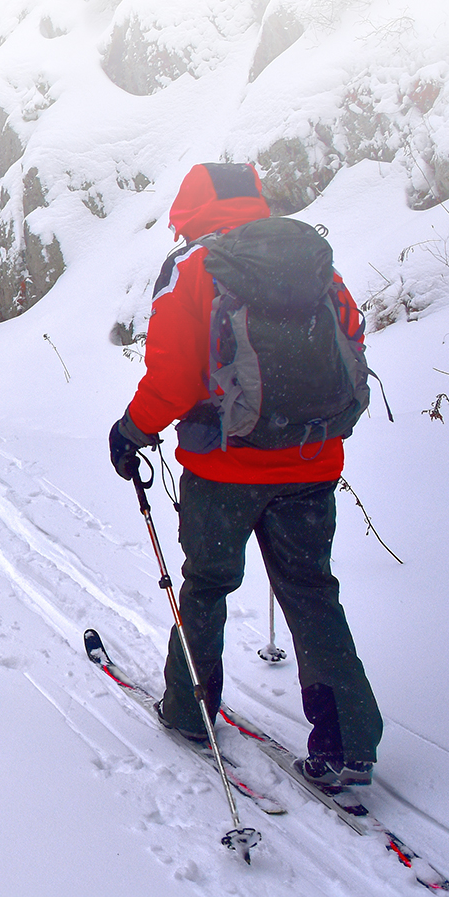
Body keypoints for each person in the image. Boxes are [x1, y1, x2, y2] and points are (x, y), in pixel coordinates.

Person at [108, 161, 382, 788]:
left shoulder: (192, 266)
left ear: (189, 209)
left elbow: (173, 377)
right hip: (311, 460)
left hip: (223, 468)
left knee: (206, 586)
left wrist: (132, 430)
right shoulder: (310, 259)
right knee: (311, 591)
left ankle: (190, 711)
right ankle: (348, 742)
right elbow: (351, 338)